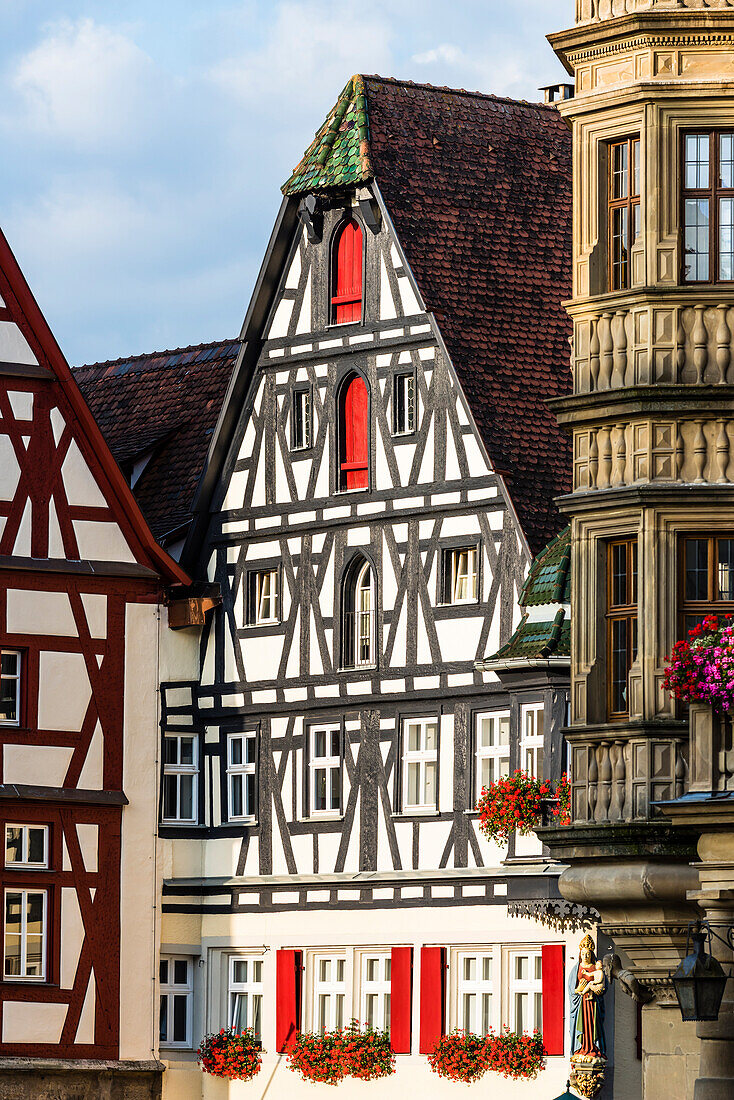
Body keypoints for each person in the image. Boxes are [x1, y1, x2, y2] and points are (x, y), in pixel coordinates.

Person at [569, 934, 607, 1057]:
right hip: (581, 1004)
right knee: (582, 1026)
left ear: (592, 955)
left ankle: (593, 1048)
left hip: (593, 1003)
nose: (586, 956)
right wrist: (577, 990)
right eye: (583, 953)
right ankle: (581, 1049)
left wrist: (599, 991)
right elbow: (571, 989)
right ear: (580, 954)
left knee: (593, 1025)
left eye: (588, 954)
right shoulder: (576, 969)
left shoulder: (595, 968)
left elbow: (602, 984)